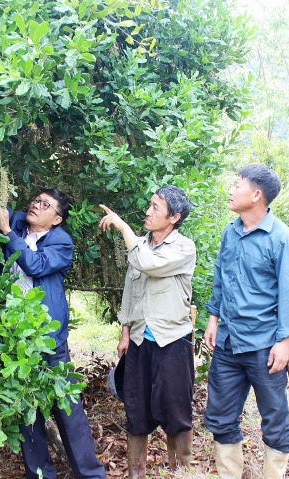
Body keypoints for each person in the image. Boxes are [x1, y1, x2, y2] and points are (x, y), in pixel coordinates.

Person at [204, 164, 289, 479]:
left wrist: (284, 342)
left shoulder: (282, 239)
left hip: (264, 346)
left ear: (256, 194)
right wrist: (213, 318)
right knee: (220, 416)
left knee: (274, 418)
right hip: (228, 343)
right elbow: (221, 277)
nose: (231, 190)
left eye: (237, 185)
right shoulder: (230, 233)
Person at [0, 190, 106, 479]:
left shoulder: (61, 241)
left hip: (48, 336)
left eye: (45, 205)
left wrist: (7, 231)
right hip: (16, 334)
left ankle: (90, 474)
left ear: (56, 219)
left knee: (67, 407)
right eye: (36, 200)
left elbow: (34, 265)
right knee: (26, 406)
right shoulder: (19, 224)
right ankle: (40, 475)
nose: (36, 205)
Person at [97, 186, 197, 478]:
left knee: (176, 411)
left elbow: (148, 264)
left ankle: (180, 472)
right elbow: (131, 291)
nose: (148, 211)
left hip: (172, 341)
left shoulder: (183, 247)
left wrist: (122, 226)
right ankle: (136, 473)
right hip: (140, 340)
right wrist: (125, 331)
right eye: (149, 204)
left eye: (156, 207)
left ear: (174, 217)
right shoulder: (140, 244)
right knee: (136, 411)